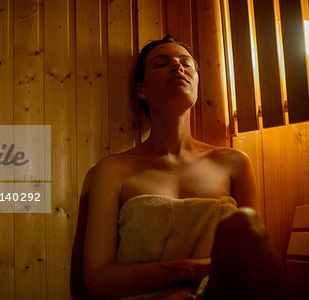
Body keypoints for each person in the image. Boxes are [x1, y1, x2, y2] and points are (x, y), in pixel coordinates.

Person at [70, 36, 286, 299]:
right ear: (142, 91)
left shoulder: (234, 162)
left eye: (186, 63)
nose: (178, 67)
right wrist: (187, 270)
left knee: (245, 225)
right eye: (161, 64)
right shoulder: (111, 170)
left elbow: (249, 263)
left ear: (196, 83)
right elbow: (98, 280)